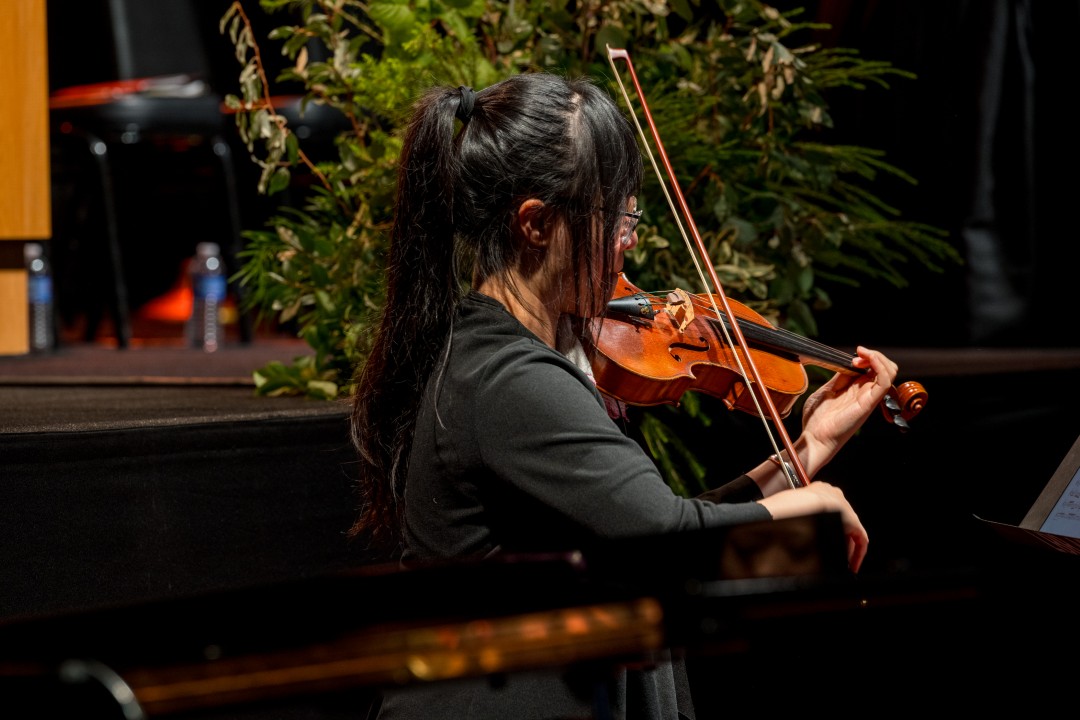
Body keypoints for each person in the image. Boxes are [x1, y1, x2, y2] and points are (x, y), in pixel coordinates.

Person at [349, 71, 899, 720]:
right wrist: (811, 526)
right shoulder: (508, 379)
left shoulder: (512, 357)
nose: (628, 241)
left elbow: (643, 525)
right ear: (536, 223)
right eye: (617, 218)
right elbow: (672, 548)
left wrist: (808, 449)